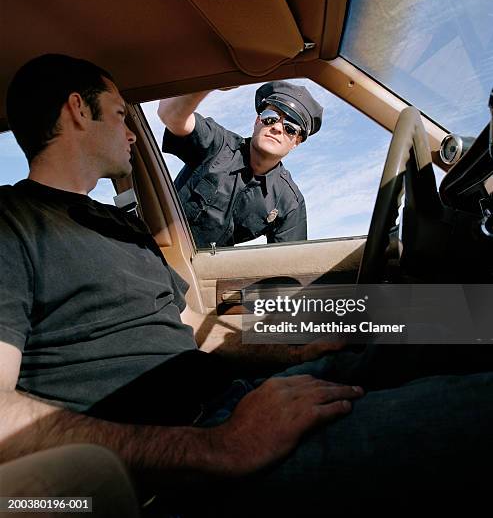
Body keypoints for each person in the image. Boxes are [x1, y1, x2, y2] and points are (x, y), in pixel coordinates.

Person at [1, 54, 492, 515]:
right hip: (186, 453)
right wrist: (222, 446)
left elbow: (191, 326)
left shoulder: (123, 226)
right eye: (118, 114)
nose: (132, 132)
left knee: (443, 322)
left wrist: (294, 352)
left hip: (232, 399)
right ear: (77, 112)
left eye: (291, 127)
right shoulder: (12, 224)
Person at [158, 82, 323, 247]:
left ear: (297, 142)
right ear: (257, 121)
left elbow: (289, 262)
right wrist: (210, 80)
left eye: (290, 128)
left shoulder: (289, 202)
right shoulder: (218, 144)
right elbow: (170, 115)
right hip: (154, 245)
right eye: (270, 117)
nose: (277, 128)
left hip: (204, 269)